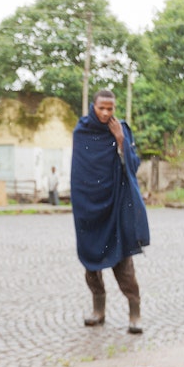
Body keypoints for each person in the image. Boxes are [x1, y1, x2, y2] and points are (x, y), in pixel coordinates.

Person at [70, 90, 150, 334]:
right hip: (88, 210)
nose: (106, 113)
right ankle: (98, 311)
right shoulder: (81, 132)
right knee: (91, 266)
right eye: (101, 108)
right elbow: (78, 172)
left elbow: (133, 166)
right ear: (93, 106)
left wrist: (121, 141)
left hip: (115, 207)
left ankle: (135, 314)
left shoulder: (120, 129)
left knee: (123, 265)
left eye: (110, 109)